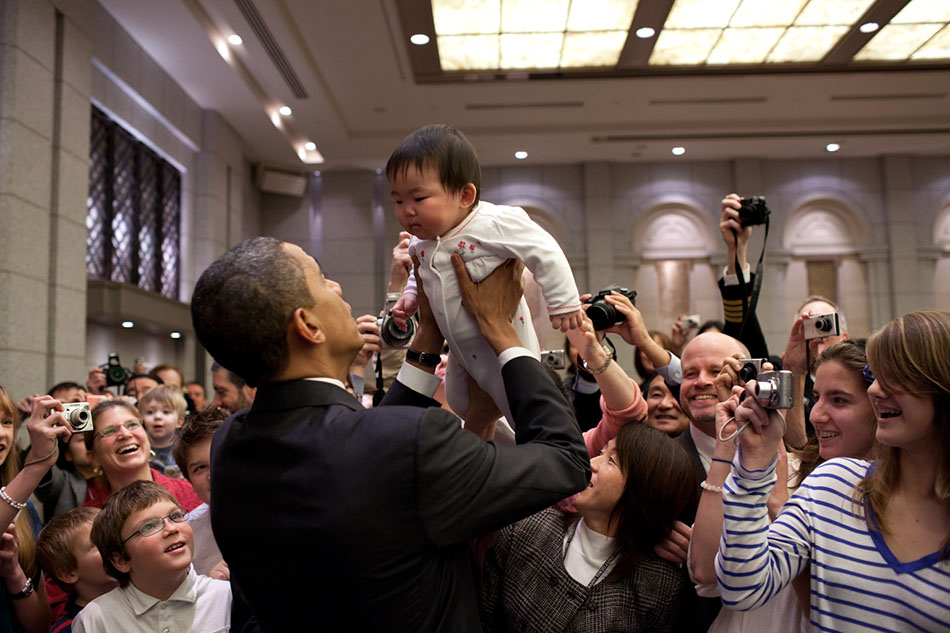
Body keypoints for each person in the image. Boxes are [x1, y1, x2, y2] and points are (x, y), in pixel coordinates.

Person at [190, 236, 590, 632]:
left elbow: (366, 452)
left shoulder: (231, 444)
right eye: (322, 279)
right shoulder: (410, 441)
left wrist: (429, 332)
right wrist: (502, 332)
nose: (337, 287)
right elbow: (566, 462)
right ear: (308, 326)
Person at [716, 310, 950, 631]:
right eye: (875, 376)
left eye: (895, 377)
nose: (875, 391)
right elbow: (741, 588)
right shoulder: (835, 482)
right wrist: (753, 469)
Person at [387, 124, 583, 425]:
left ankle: (534, 450)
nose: (407, 211)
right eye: (398, 201)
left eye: (419, 199)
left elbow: (544, 250)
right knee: (459, 402)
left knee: (520, 412)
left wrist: (563, 302)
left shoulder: (493, 223)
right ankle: (490, 444)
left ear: (465, 195)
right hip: (459, 352)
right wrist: (411, 295)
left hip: (501, 349)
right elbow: (420, 272)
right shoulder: (420, 240)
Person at [688, 339, 876, 633]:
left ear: (882, 403)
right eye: (817, 398)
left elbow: (842, 611)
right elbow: (707, 574)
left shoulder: (903, 501)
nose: (816, 414)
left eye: (839, 400)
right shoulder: (787, 470)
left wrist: (780, 506)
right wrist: (729, 430)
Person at [481, 423, 698, 632]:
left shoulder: (659, 584)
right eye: (602, 451)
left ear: (644, 490)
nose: (591, 462)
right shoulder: (526, 527)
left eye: (611, 460)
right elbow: (482, 618)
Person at [72, 481, 231, 632]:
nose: (171, 529)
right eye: (149, 526)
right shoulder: (94, 620)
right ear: (120, 560)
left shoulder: (227, 598)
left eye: (175, 516)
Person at [1, 386, 57, 633]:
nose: (1, 434)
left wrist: (13, 572)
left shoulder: (24, 509)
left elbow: (40, 626)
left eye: (5, 422)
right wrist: (38, 466)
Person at [82, 401, 200, 511]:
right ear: (93, 457)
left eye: (132, 424)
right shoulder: (90, 522)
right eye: (109, 431)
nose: (125, 434)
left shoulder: (194, 495)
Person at [35, 508, 117, 633]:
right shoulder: (70, 629)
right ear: (68, 574)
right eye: (96, 544)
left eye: (112, 536)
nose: (113, 545)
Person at [171, 407, 227, 578]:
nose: (212, 475)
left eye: (220, 459)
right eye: (200, 468)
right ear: (190, 482)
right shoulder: (187, 536)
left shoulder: (285, 514)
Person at [136, 386, 186, 475]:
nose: (157, 417)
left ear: (179, 421)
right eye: (150, 412)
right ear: (141, 419)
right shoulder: (137, 449)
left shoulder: (185, 450)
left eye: (166, 412)